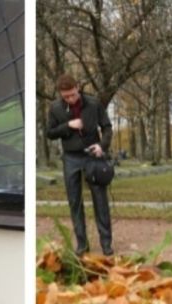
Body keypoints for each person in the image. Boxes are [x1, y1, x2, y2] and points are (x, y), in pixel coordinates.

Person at [46, 74, 113, 256]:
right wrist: (68, 125)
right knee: (75, 201)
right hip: (71, 158)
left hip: (92, 155)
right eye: (66, 96)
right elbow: (50, 133)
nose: (70, 99)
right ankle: (82, 244)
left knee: (100, 199)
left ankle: (106, 243)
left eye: (73, 94)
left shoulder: (93, 103)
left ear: (78, 88)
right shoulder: (55, 108)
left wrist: (102, 146)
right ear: (61, 94)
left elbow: (107, 127)